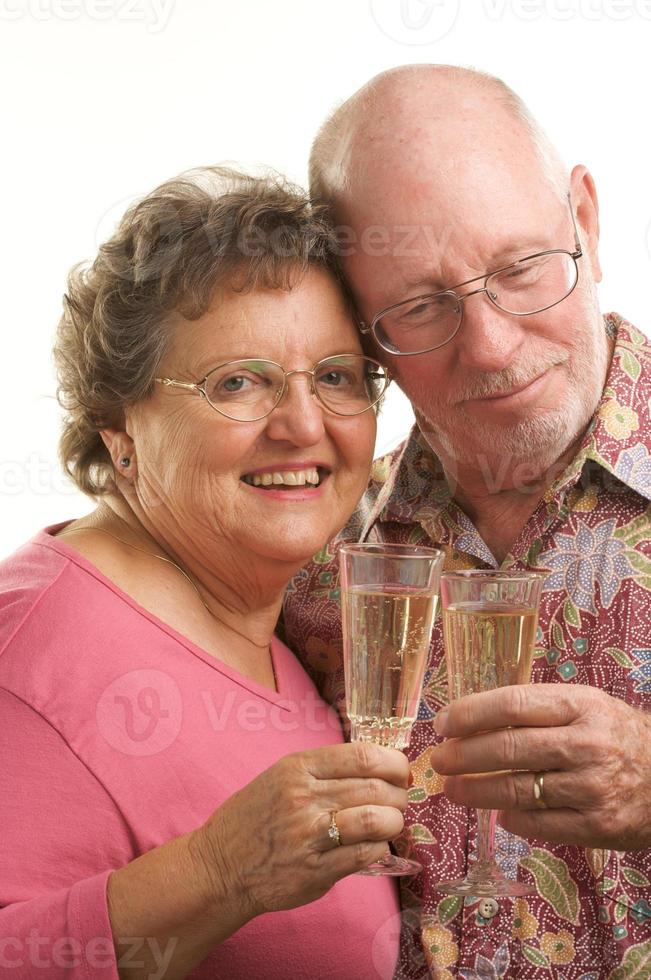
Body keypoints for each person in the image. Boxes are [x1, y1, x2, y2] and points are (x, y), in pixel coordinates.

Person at [283, 65, 651, 978]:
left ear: (586, 219)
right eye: (419, 307)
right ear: (363, 334)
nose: (490, 345)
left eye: (521, 266)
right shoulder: (313, 552)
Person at [0, 166, 410, 980]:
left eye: (335, 376)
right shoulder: (32, 646)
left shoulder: (287, 620)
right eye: (238, 383)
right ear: (118, 429)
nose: (302, 424)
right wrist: (218, 873)